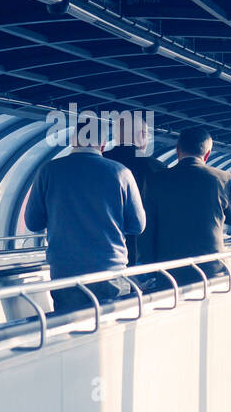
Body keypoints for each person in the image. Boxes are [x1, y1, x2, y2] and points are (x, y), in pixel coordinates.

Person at [24, 109, 145, 314]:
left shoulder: (49, 170)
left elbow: (33, 223)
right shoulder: (120, 172)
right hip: (110, 271)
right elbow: (138, 225)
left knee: (70, 331)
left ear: (73, 140)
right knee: (111, 329)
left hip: (65, 273)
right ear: (104, 144)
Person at [140, 125, 231, 286]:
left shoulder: (155, 180)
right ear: (207, 154)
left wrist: (148, 267)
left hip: (168, 271)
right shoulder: (223, 179)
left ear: (177, 149)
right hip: (210, 269)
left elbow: (147, 228)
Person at [102, 113, 166, 266]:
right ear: (142, 135)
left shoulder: (100, 162)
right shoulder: (156, 167)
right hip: (145, 250)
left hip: (104, 248)